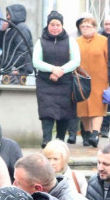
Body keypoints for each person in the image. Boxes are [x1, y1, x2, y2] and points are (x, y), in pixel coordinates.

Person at [32, 11, 81, 145]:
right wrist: (53, 69)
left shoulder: (70, 41)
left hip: (65, 82)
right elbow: (36, 62)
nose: (55, 28)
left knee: (64, 112)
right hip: (45, 82)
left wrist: (61, 71)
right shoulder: (40, 42)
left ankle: (60, 141)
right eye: (52, 25)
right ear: (48, 25)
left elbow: (76, 60)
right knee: (46, 112)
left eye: (57, 25)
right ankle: (46, 140)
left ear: (62, 26)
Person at [74, 14, 109, 147]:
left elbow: (109, 59)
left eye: (88, 26)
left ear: (95, 27)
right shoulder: (76, 42)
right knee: (83, 106)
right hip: (81, 78)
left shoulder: (103, 40)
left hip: (100, 79)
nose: (85, 28)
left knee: (98, 106)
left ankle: (95, 133)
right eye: (83, 26)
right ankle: (87, 133)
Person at [0, 4, 34, 81]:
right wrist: (2, 32)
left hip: (17, 71)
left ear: (16, 14)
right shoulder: (13, 29)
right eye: (7, 14)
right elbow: (2, 46)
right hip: (10, 69)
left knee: (12, 88)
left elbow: (22, 51)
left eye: (9, 14)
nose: (7, 17)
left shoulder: (21, 28)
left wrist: (14, 67)